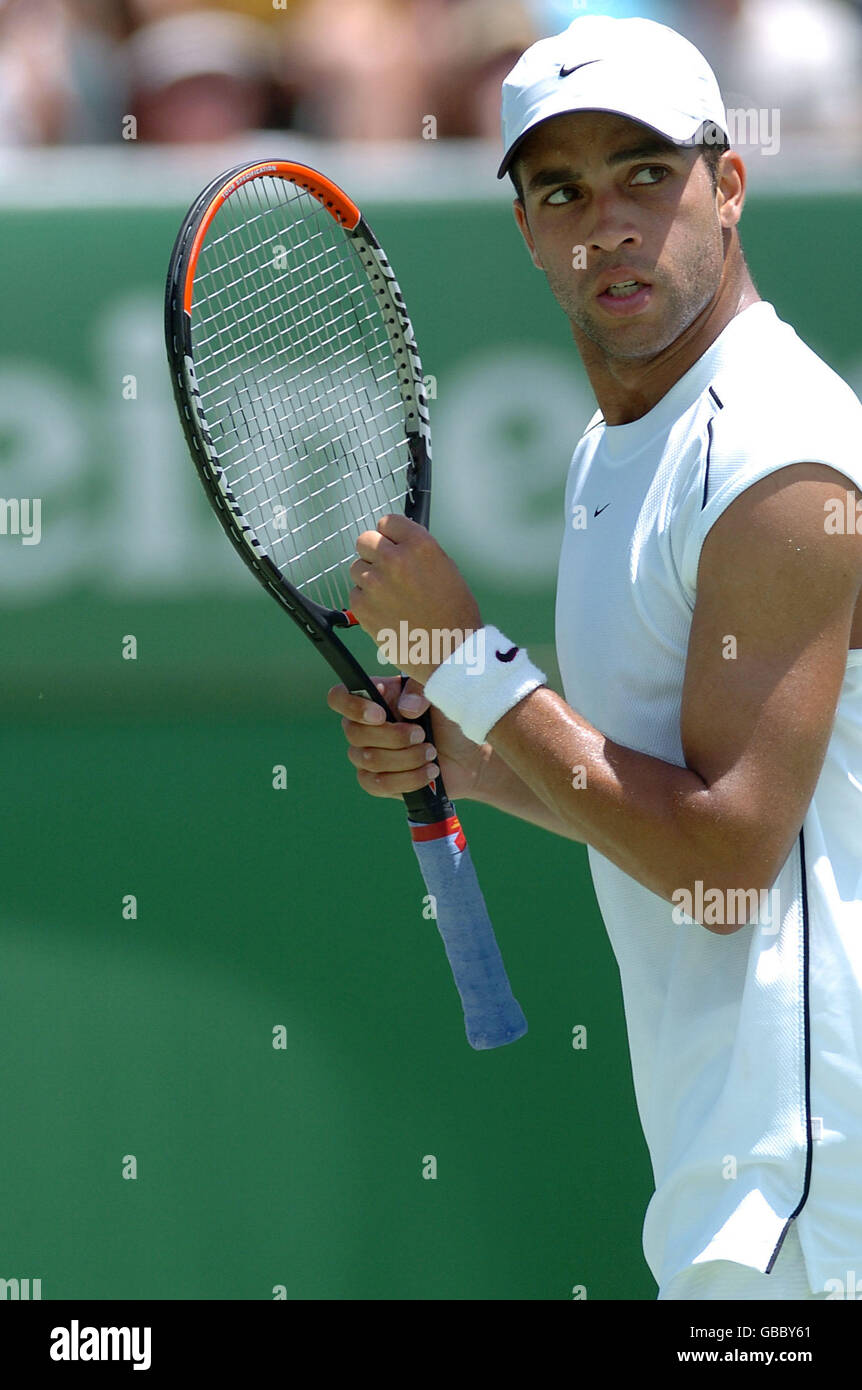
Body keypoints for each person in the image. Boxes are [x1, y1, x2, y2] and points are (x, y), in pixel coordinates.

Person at [326, 14, 862, 1300]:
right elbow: (645, 793)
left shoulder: (778, 456)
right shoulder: (612, 450)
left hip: (810, 1176)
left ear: (726, 188)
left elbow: (724, 854)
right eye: (559, 191)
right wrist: (468, 751)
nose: (605, 223)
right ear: (525, 231)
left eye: (644, 175)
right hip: (737, 1174)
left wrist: (471, 663)